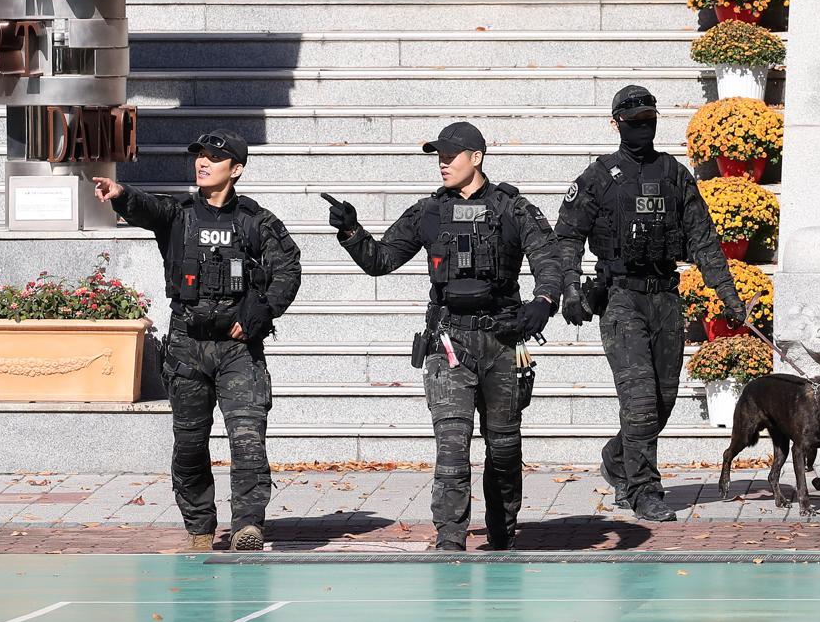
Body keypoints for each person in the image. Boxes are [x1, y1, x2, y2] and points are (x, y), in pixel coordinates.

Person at [324, 122, 562, 551]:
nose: (443, 163)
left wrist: (542, 304)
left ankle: (503, 531)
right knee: (452, 449)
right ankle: (449, 539)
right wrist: (351, 234)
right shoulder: (428, 212)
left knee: (504, 450)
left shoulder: (512, 208)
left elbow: (548, 260)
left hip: (503, 344)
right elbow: (381, 260)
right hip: (449, 344)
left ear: (477, 157)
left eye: (452, 155)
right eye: (439, 155)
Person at [93, 130, 301, 552]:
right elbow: (147, 208)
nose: (202, 163)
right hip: (188, 348)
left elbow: (288, 270)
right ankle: (200, 528)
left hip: (237, 351)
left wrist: (257, 315)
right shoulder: (179, 215)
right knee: (189, 445)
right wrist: (120, 193)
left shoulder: (257, 222)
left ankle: (247, 526)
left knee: (248, 441)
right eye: (199, 156)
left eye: (214, 157)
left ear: (236, 169)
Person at [554, 85, 749, 523]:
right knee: (640, 402)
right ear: (617, 124)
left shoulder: (675, 176)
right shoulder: (599, 177)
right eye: (635, 122)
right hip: (621, 298)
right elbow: (566, 236)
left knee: (662, 401)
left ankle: (618, 457)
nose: (643, 128)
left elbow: (704, 241)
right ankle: (644, 489)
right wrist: (569, 287)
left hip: (665, 297)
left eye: (649, 120)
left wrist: (729, 297)